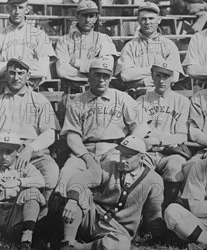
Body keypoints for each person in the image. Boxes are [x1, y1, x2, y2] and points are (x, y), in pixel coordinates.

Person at [53, 135, 165, 250]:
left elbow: (154, 213)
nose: (123, 160)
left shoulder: (154, 180)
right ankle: (67, 243)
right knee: (81, 192)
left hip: (117, 230)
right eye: (121, 155)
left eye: (128, 157)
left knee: (121, 245)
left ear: (142, 158)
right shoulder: (109, 166)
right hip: (93, 218)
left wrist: (159, 235)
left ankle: (78, 248)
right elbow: (81, 178)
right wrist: (72, 200)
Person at [0, 57, 59, 213]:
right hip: (2, 152)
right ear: (6, 76)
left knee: (50, 172)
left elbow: (50, 133)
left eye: (20, 73)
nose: (16, 77)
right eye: (12, 73)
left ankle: (41, 220)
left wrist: (30, 148)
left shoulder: (40, 100)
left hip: (32, 153)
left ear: (28, 76)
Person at [55, 56, 149, 198]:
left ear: (110, 78)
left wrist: (125, 148)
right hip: (84, 151)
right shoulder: (77, 102)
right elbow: (72, 136)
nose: (101, 79)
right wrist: (87, 158)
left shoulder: (122, 98)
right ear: (89, 77)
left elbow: (141, 126)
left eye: (105, 76)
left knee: (118, 182)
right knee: (66, 173)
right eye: (97, 74)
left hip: (114, 150)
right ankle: (64, 209)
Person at [0, 0, 55, 98]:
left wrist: (8, 68)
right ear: (7, 9)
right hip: (4, 94)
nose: (16, 11)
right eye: (13, 7)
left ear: (27, 9)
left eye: (20, 7)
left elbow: (42, 70)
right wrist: (28, 64)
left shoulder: (39, 36)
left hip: (31, 92)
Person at [138, 59, 191, 207]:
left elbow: (182, 135)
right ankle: (144, 216)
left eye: (166, 76)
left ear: (172, 78)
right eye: (158, 76)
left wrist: (157, 141)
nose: (162, 81)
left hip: (170, 153)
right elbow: (138, 132)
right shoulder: (142, 101)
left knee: (176, 166)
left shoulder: (182, 101)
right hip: (147, 152)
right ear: (152, 76)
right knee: (136, 168)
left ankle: (166, 210)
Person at [55, 0, 118, 122]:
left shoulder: (103, 39)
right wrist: (94, 70)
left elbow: (108, 66)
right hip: (71, 95)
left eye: (91, 16)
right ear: (77, 16)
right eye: (84, 15)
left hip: (95, 95)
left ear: (96, 18)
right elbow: (62, 71)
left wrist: (78, 63)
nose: (87, 19)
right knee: (69, 136)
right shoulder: (64, 40)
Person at [115, 2, 183, 96]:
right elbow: (125, 75)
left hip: (161, 95)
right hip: (137, 95)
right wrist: (158, 72)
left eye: (151, 18)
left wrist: (142, 81)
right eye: (143, 19)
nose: (147, 22)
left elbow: (174, 77)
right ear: (138, 20)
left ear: (159, 19)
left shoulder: (169, 45)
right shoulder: (130, 46)